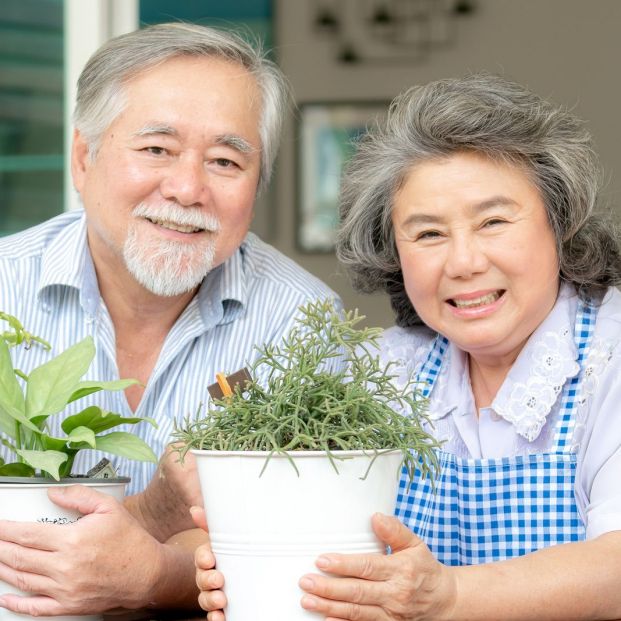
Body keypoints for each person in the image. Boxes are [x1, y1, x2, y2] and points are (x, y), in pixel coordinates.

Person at [196, 74, 621, 620]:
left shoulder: (607, 359)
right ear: (393, 253)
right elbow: (245, 404)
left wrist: (450, 597)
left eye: (493, 221)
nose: (463, 262)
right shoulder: (390, 366)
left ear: (561, 226)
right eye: (427, 234)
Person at [0, 22, 339, 617]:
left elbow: (300, 549)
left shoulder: (302, 323)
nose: (187, 188)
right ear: (84, 158)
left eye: (225, 160)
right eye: (156, 149)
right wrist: (161, 514)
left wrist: (158, 575)